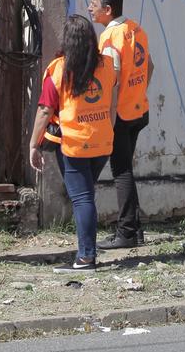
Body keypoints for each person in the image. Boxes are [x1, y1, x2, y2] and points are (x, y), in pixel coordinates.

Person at [28, 14, 119, 273]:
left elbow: (45, 111)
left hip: (74, 145)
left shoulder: (58, 69)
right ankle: (87, 252)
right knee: (86, 195)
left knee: (82, 198)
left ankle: (86, 257)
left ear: (67, 41)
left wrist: (33, 144)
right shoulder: (107, 65)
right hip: (102, 142)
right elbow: (112, 105)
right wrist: (107, 129)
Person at [88, 0, 154, 249]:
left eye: (93, 4)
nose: (89, 9)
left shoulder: (108, 38)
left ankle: (126, 233)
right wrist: (136, 93)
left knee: (121, 171)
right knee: (126, 168)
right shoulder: (136, 29)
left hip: (121, 117)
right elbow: (150, 66)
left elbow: (110, 82)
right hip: (139, 109)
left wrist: (108, 115)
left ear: (107, 9)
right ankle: (134, 230)